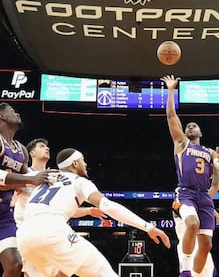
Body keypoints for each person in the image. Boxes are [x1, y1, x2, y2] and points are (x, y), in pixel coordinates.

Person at [16, 148, 171, 277]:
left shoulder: (41, 177)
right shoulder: (80, 181)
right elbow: (108, 206)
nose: (86, 164)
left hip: (25, 236)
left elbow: (11, 184)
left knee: (61, 273)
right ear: (75, 163)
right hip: (52, 231)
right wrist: (148, 227)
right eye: (83, 161)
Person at [161, 75, 219, 277]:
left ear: (200, 131)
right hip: (185, 192)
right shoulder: (183, 144)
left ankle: (198, 273)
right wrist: (171, 90)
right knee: (192, 224)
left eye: (194, 125)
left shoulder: (210, 152)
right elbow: (171, 117)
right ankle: (185, 269)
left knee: (206, 245)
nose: (191, 126)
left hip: (203, 196)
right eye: (188, 126)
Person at [13, 138, 105, 277]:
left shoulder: (55, 176)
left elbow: (62, 210)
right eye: (42, 146)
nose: (47, 148)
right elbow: (11, 200)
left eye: (47, 146)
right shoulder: (25, 177)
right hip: (29, 230)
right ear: (31, 153)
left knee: (63, 272)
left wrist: (88, 211)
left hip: (51, 230)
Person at [0, 102, 50, 277]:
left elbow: (27, 182)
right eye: (13, 111)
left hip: (4, 215)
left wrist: (51, 181)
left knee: (14, 264)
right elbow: (29, 179)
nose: (18, 114)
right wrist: (31, 178)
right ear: (2, 116)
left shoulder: (20, 150)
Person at [173, 166, 219, 277]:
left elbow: (215, 186)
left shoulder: (203, 200)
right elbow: (177, 210)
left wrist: (216, 168)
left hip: (203, 252)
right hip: (188, 251)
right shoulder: (181, 198)